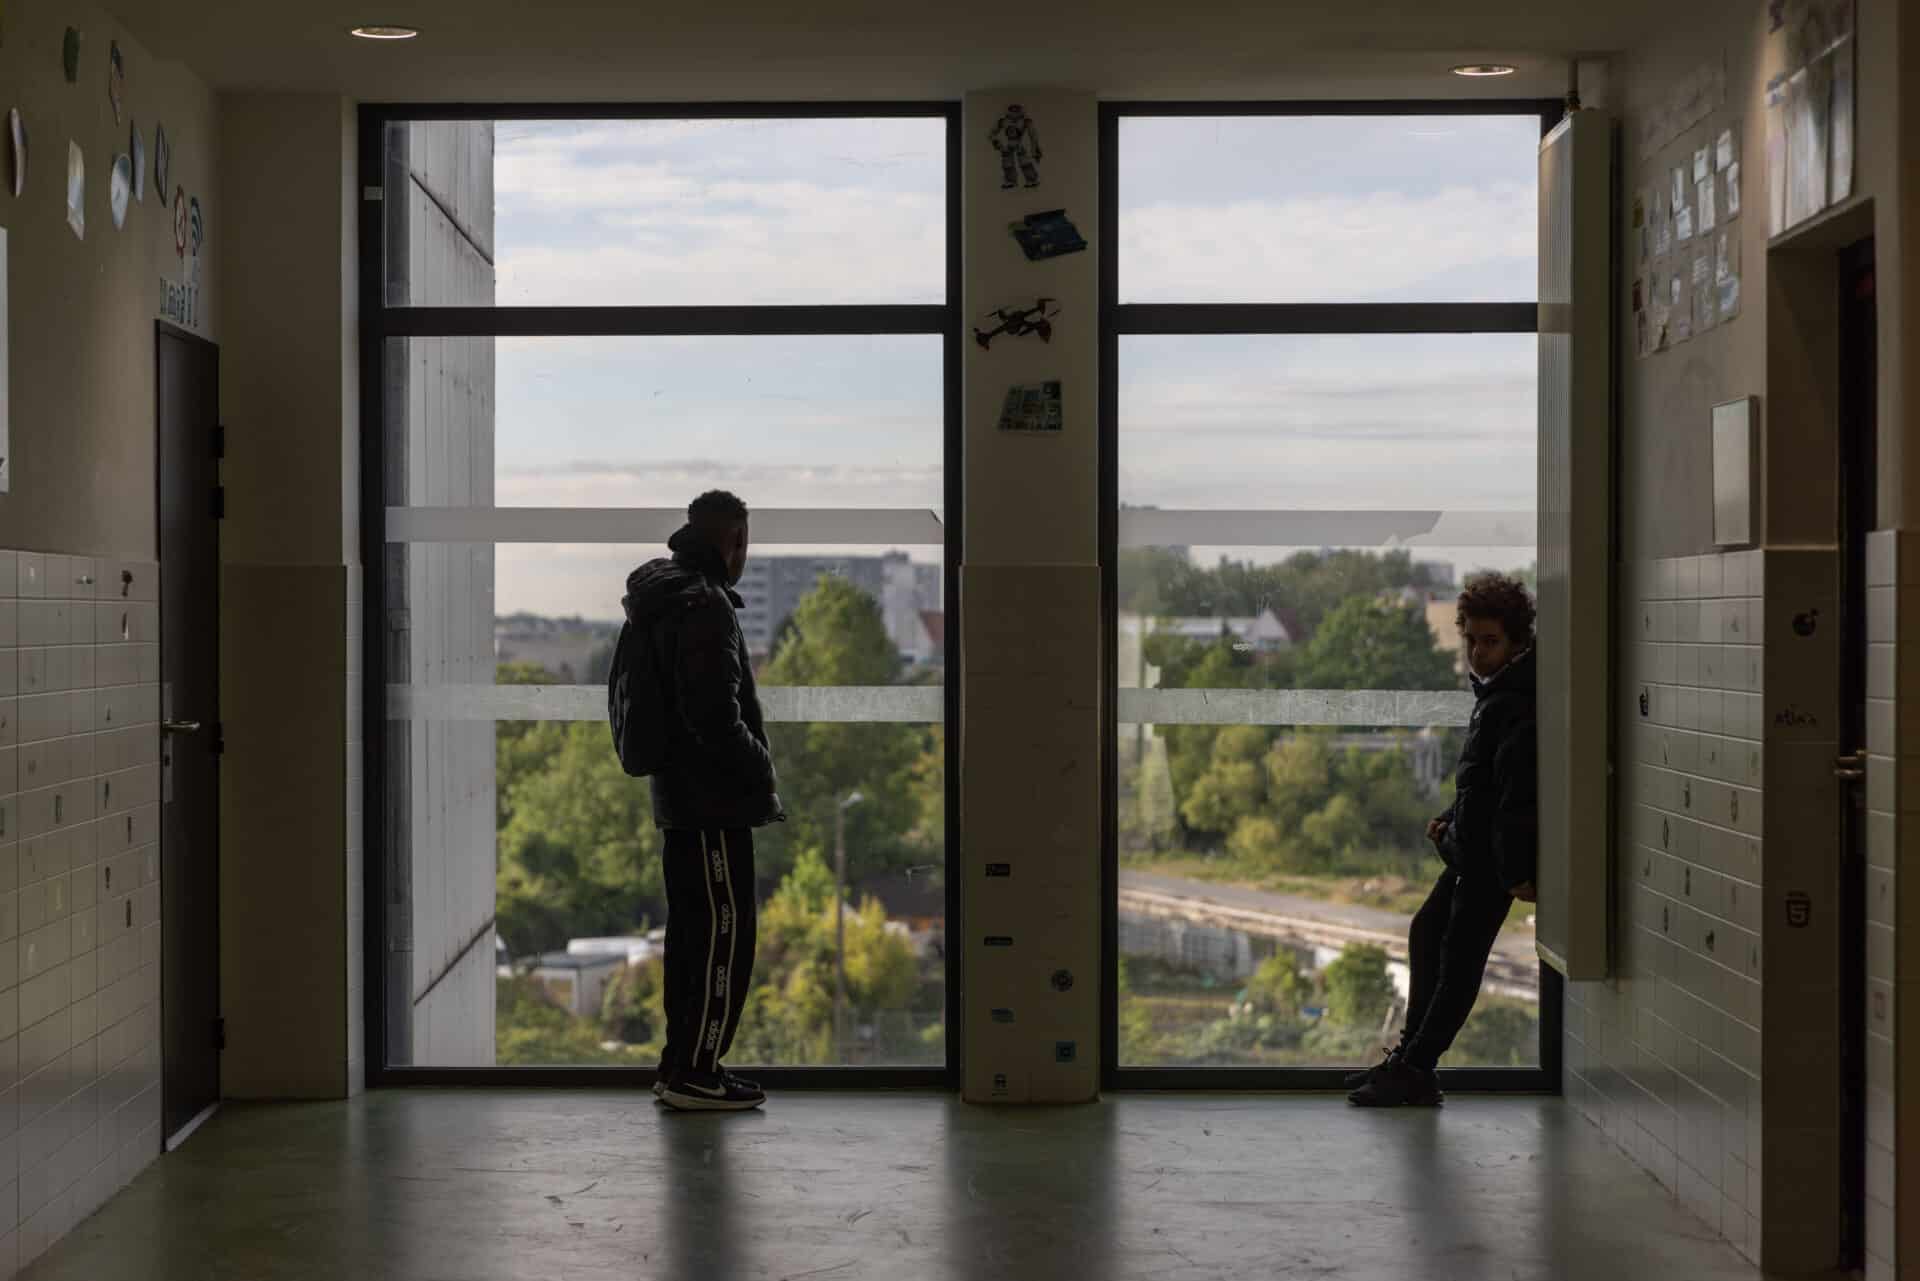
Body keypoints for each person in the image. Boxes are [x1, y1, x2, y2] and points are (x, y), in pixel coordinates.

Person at [1348, 572, 1538, 1107]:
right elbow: (1480, 782)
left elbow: (1514, 798)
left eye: (1490, 641)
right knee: (1428, 932)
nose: (1477, 652)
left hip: (1490, 860)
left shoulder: (1515, 700)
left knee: (1458, 958)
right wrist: (1450, 821)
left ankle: (1415, 1068)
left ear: (1516, 641)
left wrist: (1505, 863)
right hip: (1475, 850)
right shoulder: (1500, 692)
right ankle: (1409, 1061)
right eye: (1471, 640)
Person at [623, 491, 784, 1111]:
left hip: (679, 797)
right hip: (712, 802)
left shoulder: (663, 594)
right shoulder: (705, 603)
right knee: (723, 936)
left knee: (693, 936)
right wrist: (761, 769)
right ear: (734, 541)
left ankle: (684, 1064)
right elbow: (716, 714)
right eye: (744, 543)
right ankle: (697, 1071)